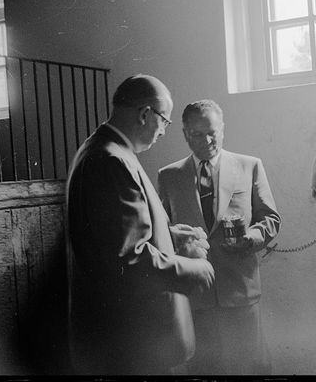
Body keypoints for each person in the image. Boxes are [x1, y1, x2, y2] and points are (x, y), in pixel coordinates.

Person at [65, 74, 215, 375]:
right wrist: (194, 270)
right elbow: (130, 260)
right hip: (135, 344)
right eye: (165, 121)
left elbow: (114, 235)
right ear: (146, 114)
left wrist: (170, 237)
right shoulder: (111, 160)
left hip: (134, 338)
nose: (163, 131)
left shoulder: (105, 150)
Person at [158, 99, 281, 375]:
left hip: (240, 291)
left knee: (252, 367)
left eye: (213, 132)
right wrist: (179, 242)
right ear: (185, 134)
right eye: (198, 135)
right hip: (194, 295)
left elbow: (271, 219)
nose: (208, 140)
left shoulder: (250, 166)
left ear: (222, 129)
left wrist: (249, 239)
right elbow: (161, 233)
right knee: (203, 368)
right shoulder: (168, 176)